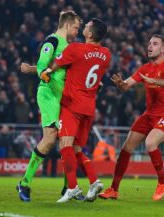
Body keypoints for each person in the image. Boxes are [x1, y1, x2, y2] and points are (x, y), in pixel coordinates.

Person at [99, 34, 164, 201]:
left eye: (155, 44)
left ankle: (163, 182)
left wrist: (154, 80)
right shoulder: (144, 69)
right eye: (149, 43)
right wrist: (121, 85)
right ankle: (113, 189)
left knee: (150, 143)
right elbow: (126, 86)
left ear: (163, 49)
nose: (150, 46)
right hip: (149, 114)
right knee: (126, 147)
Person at [16, 10, 82, 202]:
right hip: (49, 95)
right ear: (68, 25)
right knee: (50, 138)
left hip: (64, 97)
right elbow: (44, 63)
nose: (77, 31)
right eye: (76, 27)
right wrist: (41, 72)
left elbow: (59, 68)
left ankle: (68, 189)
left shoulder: (69, 46)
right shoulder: (52, 41)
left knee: (68, 142)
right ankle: (25, 183)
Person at [43, 18, 111, 202]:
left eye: (87, 26)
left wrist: (43, 71)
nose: (83, 27)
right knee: (77, 149)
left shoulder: (75, 49)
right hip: (89, 107)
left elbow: (54, 66)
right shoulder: (106, 54)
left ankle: (72, 187)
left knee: (65, 147)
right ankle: (95, 181)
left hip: (72, 104)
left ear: (90, 34)